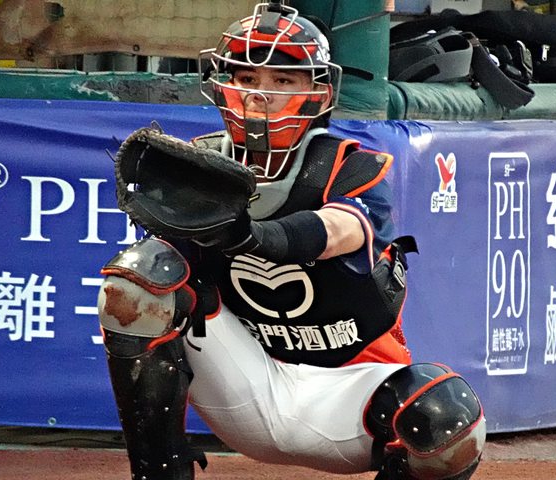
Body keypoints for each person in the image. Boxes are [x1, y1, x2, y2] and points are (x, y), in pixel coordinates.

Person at [97, 2, 486, 479]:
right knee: (136, 280)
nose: (260, 95)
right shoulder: (199, 168)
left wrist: (253, 235)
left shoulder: (353, 166)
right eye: (247, 78)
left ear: (319, 92)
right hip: (244, 378)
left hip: (351, 392)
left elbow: (341, 229)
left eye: (283, 80)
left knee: (448, 416)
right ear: (221, 84)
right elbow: (158, 274)